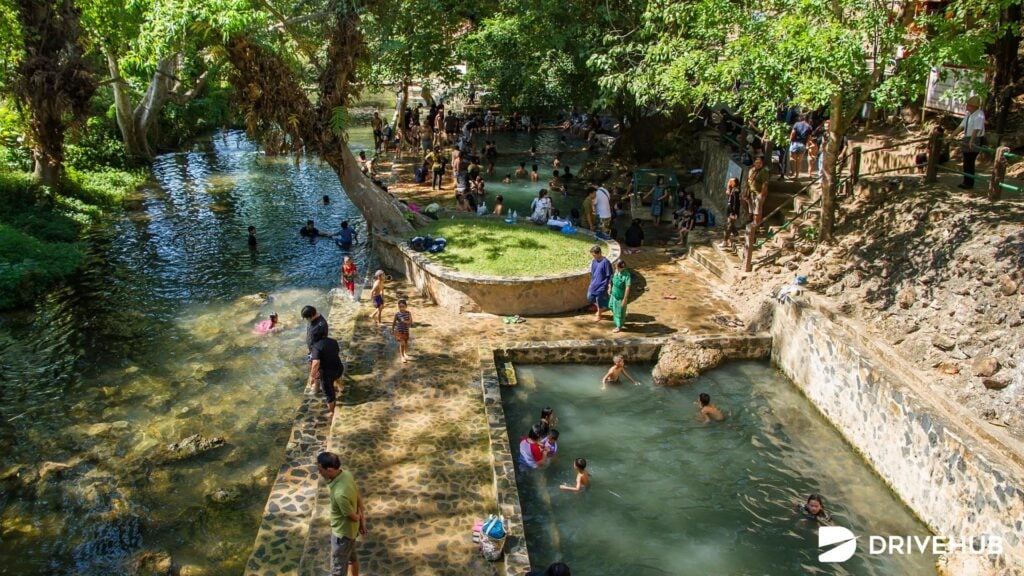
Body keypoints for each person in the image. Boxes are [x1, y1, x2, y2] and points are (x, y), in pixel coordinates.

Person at [316, 452, 367, 576]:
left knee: (337, 569)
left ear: (329, 470)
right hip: (351, 532)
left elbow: (353, 517)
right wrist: (363, 521)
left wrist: (359, 518)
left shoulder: (340, 493)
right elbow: (357, 496)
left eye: (320, 469)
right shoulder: (346, 474)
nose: (319, 472)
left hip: (342, 535)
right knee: (352, 559)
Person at [951, 95, 986, 190]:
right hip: (967, 137)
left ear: (973, 106)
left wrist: (972, 140)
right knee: (966, 161)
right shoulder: (969, 115)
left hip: (976, 138)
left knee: (969, 161)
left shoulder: (979, 114)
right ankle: (966, 181)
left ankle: (969, 183)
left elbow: (977, 128)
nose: (967, 107)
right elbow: (961, 126)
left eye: (969, 105)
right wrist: (951, 135)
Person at [310, 335, 344, 414]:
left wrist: (312, 376)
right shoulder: (333, 341)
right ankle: (341, 387)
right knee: (335, 377)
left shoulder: (316, 347)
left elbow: (316, 363)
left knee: (330, 396)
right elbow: (337, 352)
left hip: (327, 376)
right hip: (339, 370)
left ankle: (332, 413)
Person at [587, 245, 612, 321]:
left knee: (599, 299)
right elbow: (593, 273)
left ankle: (599, 314)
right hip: (594, 284)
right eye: (593, 255)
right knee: (590, 297)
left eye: (594, 255)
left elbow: (610, 275)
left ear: (599, 253)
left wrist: (609, 286)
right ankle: (603, 307)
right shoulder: (594, 261)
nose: (594, 257)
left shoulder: (606, 262)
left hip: (602, 285)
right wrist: (591, 283)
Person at [608, 259, 632, 333]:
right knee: (611, 306)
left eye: (617, 267)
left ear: (622, 268)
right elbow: (611, 280)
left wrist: (624, 300)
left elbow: (627, 288)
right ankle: (621, 317)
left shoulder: (627, 275)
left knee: (619, 312)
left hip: (620, 297)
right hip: (613, 294)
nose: (616, 269)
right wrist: (609, 288)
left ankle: (619, 326)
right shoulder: (616, 272)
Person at [788, 114, 813, 178]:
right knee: (799, 161)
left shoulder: (796, 124)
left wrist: (790, 140)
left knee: (792, 158)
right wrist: (807, 145)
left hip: (795, 143)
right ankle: (797, 175)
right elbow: (809, 138)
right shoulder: (809, 127)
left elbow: (793, 133)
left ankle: (793, 172)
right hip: (802, 144)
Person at [746, 156, 769, 225]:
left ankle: (756, 225)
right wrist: (746, 191)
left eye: (760, 163)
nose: (758, 164)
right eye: (756, 163)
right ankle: (752, 221)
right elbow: (748, 181)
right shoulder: (751, 170)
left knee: (757, 210)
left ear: (762, 164)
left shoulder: (764, 171)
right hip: (751, 192)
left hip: (758, 193)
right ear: (754, 163)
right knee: (751, 208)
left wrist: (761, 194)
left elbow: (765, 184)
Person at [721, 177, 741, 248]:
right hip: (730, 210)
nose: (729, 182)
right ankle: (736, 235)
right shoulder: (732, 190)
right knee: (731, 225)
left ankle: (725, 241)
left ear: (734, 183)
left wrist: (734, 213)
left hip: (732, 211)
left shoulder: (736, 191)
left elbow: (736, 203)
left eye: (731, 181)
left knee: (729, 226)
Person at [391, 298, 413, 363]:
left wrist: (405, 322)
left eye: (403, 307)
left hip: (406, 331)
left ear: (406, 306)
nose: (401, 308)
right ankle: (402, 356)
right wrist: (392, 329)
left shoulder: (408, 313)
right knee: (402, 343)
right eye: (400, 307)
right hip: (399, 331)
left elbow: (411, 322)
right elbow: (394, 322)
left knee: (405, 343)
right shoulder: (397, 314)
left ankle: (405, 353)